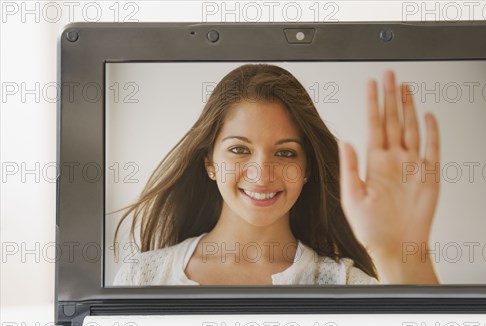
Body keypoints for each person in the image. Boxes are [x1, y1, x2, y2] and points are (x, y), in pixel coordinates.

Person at [111, 63, 440, 286]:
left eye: (285, 153)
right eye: (239, 149)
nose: (261, 173)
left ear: (307, 168)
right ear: (209, 163)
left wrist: (401, 251)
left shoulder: (344, 284)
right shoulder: (142, 277)